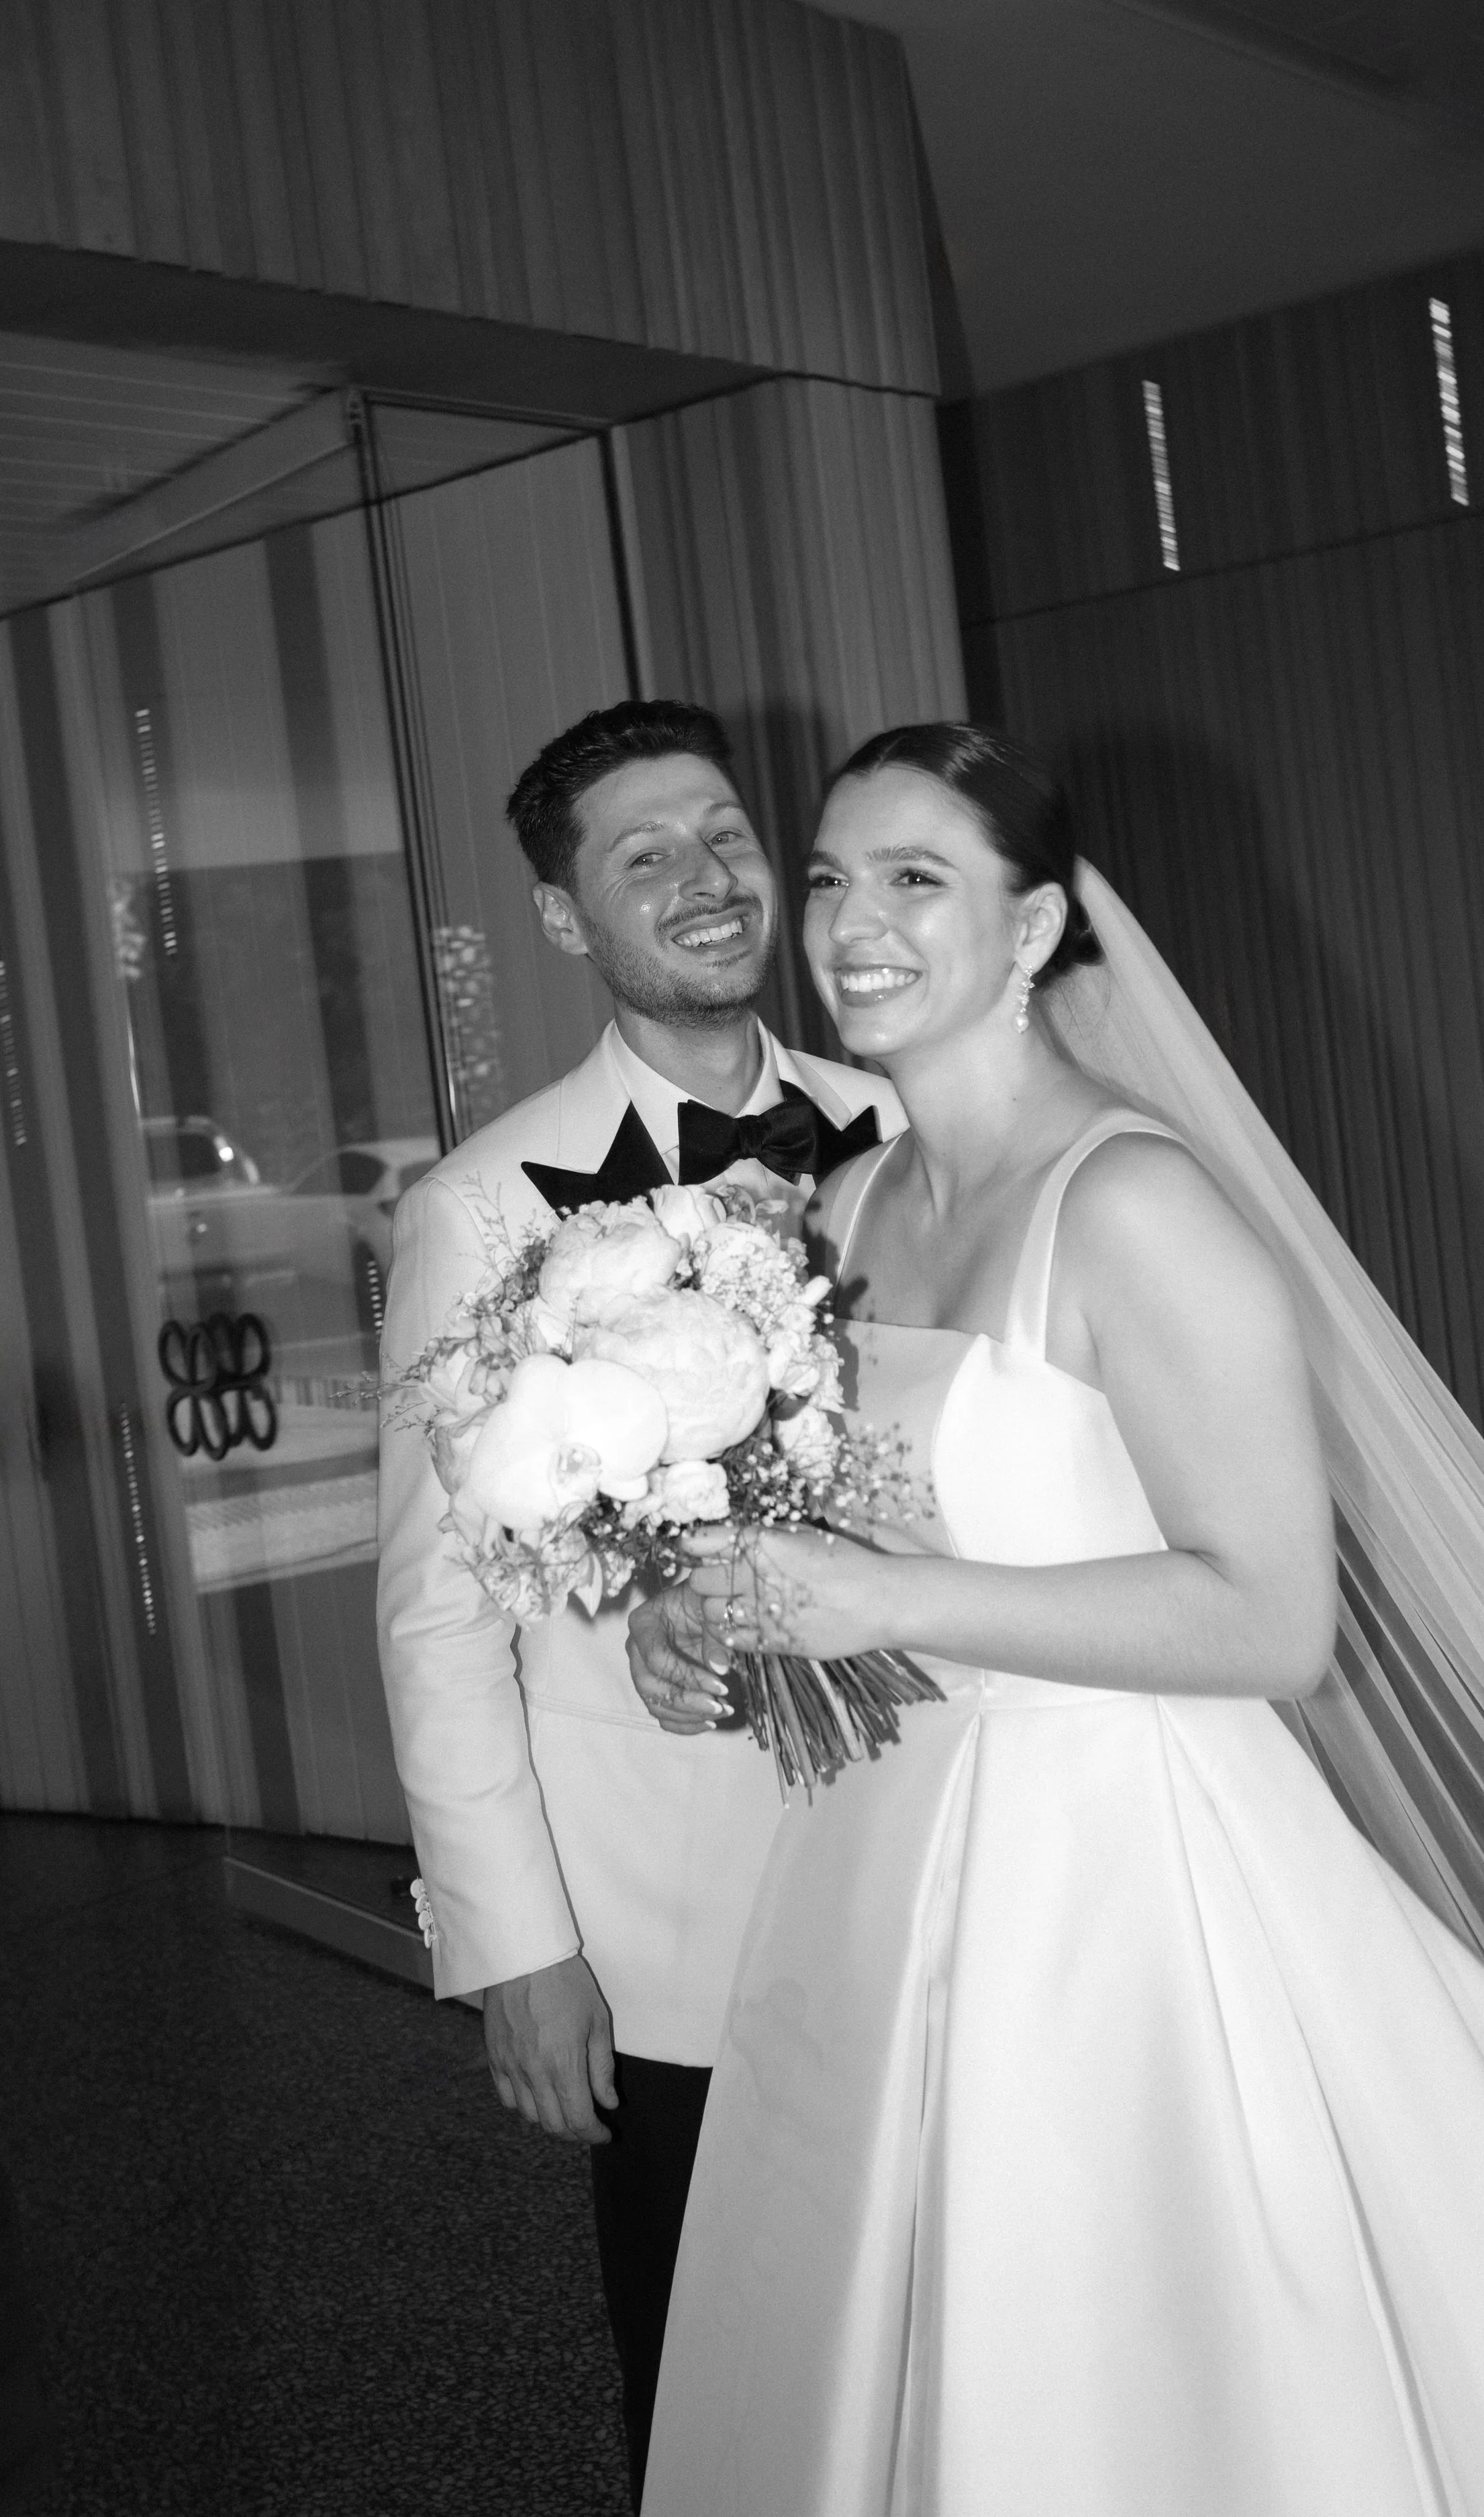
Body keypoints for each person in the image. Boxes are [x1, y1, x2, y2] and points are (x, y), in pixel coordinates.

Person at [629, 722, 1484, 2515]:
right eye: (826, 878)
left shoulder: (1132, 1201)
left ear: (1031, 927)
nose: (849, 923)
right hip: (872, 1863)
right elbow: (826, 1547)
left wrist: (892, 1594)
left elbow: (1273, 1619)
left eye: (913, 880)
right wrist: (698, 1629)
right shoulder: (840, 1205)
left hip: (1120, 1877)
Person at [375, 697, 903, 2506]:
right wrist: (515, 1940)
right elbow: (441, 1614)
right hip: (679, 1920)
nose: (704, 879)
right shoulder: (482, 1203)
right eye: (641, 854)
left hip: (933, 1852)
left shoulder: (899, 1122)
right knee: (722, 2376)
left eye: (723, 832)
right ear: (561, 917)